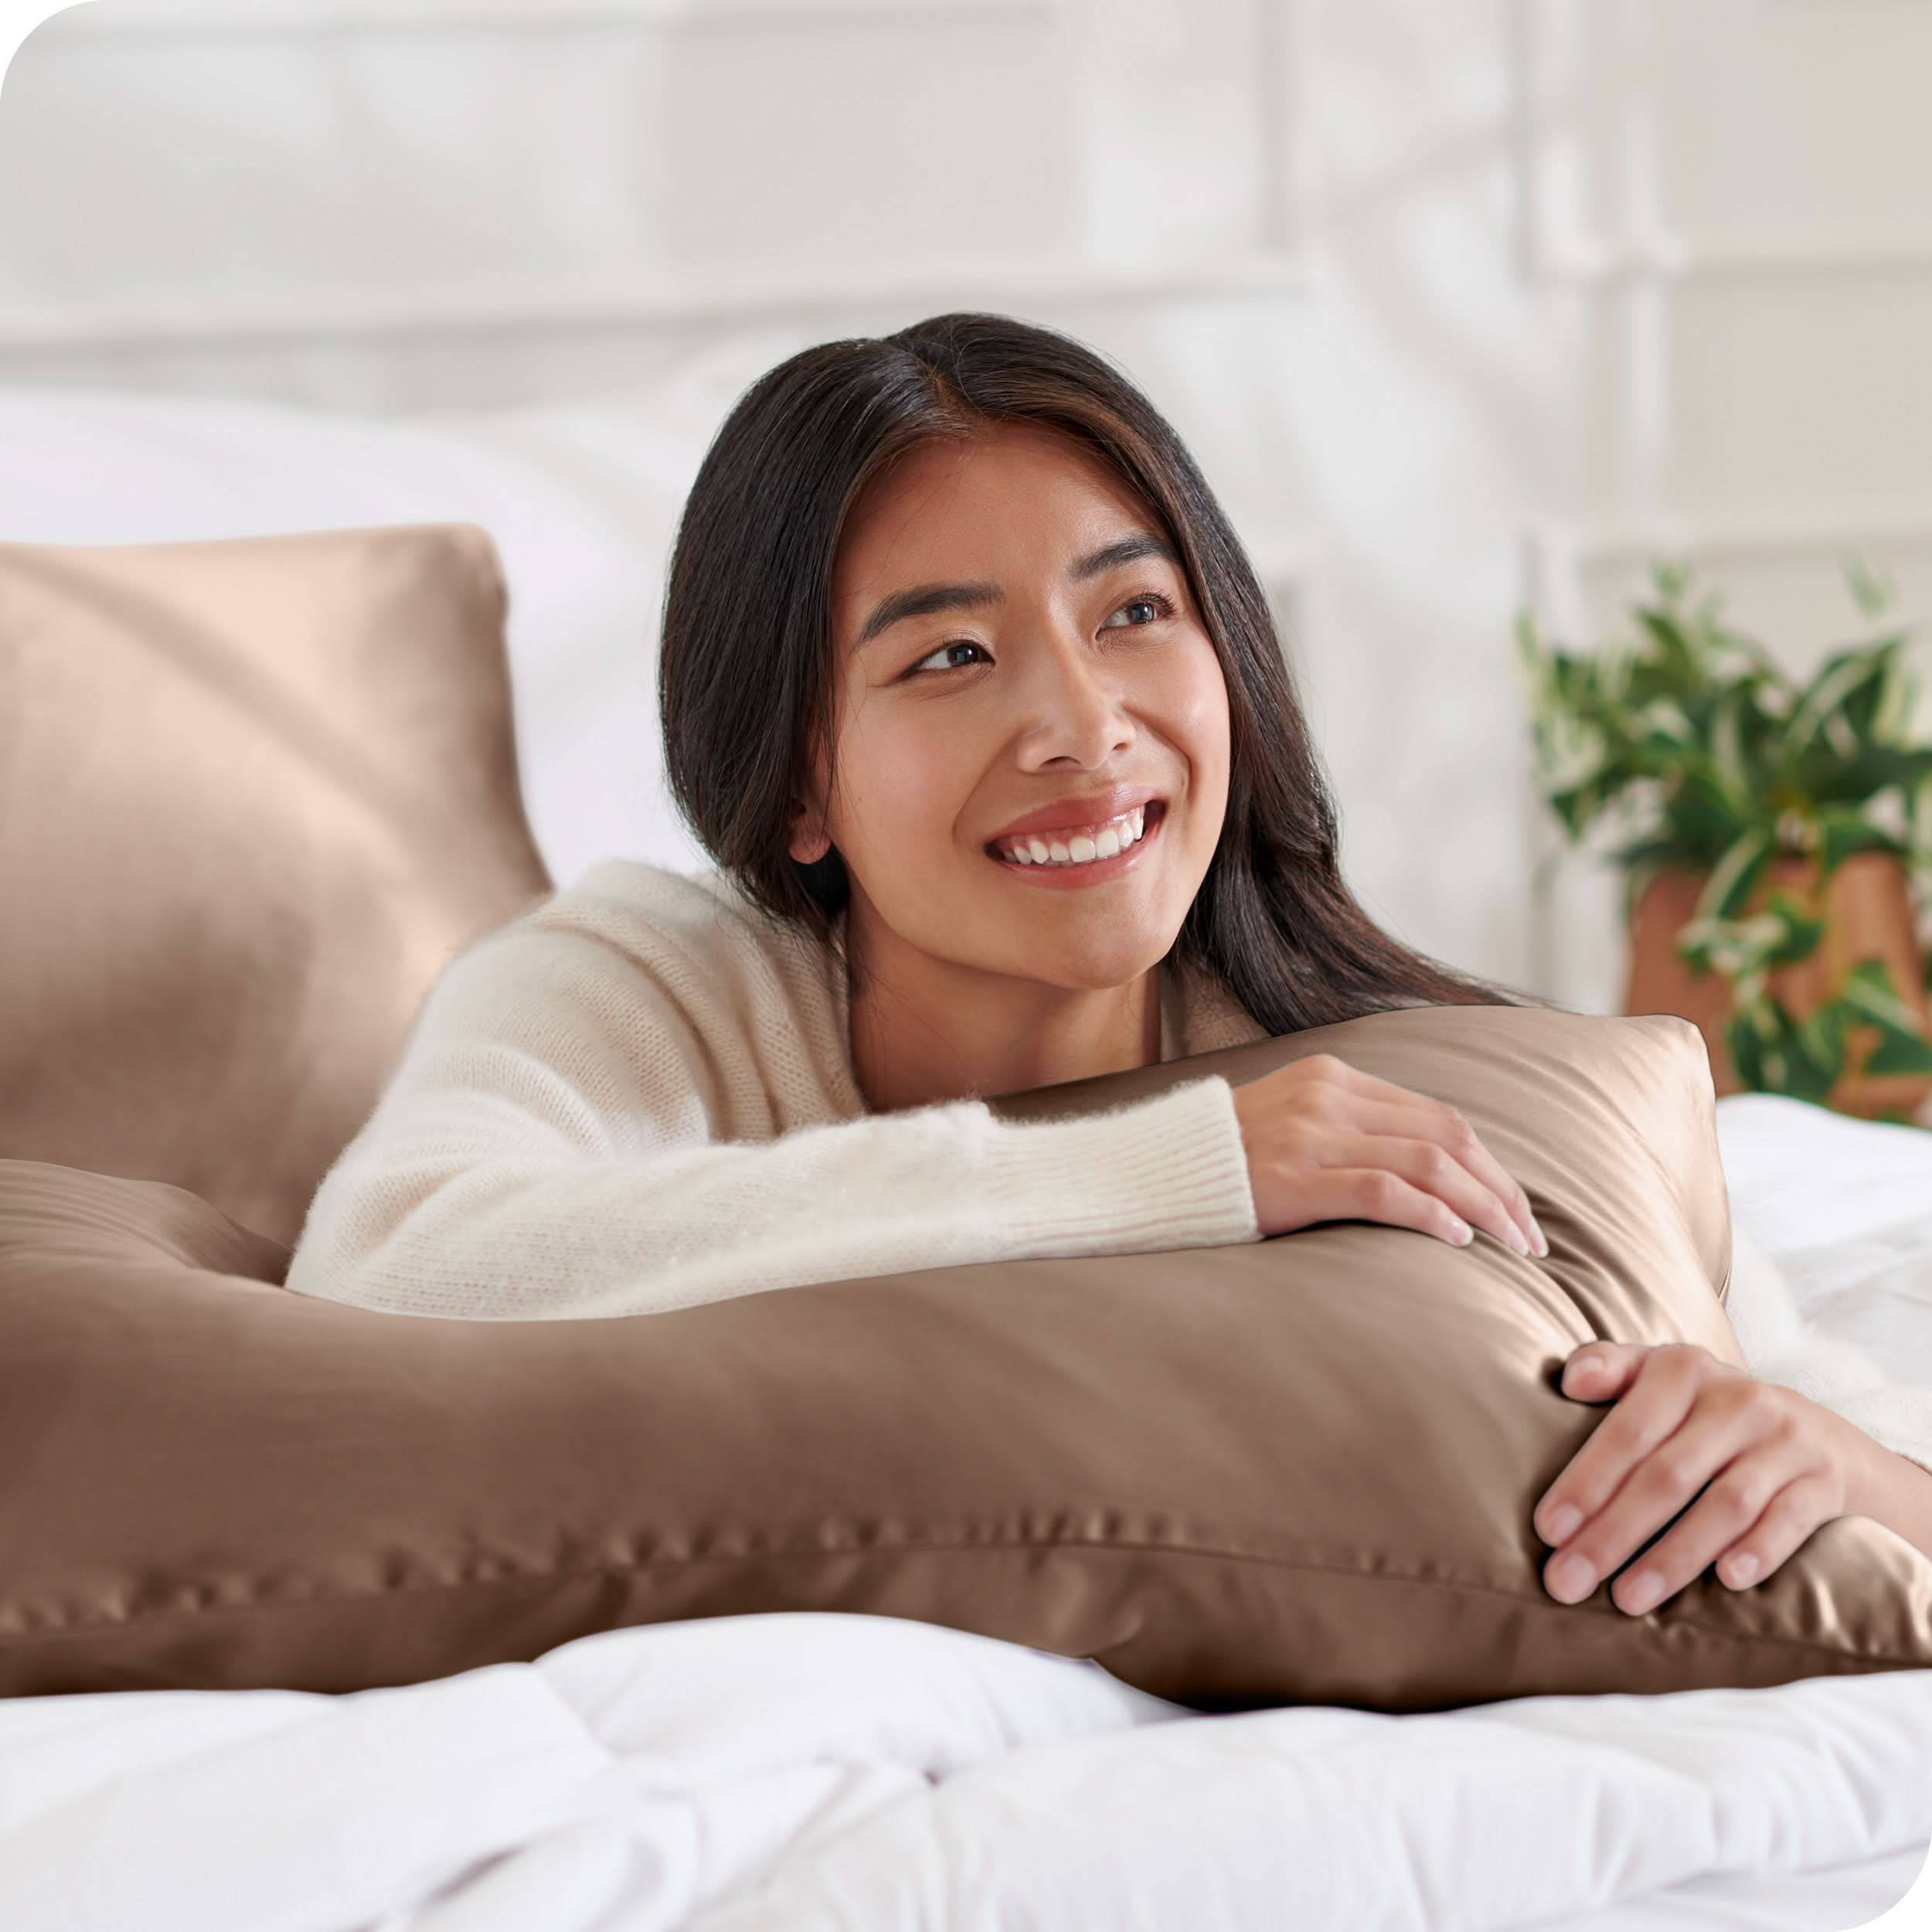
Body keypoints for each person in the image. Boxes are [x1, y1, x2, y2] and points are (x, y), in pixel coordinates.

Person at [281, 311, 1932, 1611]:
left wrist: (1820, 1458)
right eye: (949, 654)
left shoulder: (1397, 1069)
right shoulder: (648, 977)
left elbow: (1846, 1436)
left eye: (1134, 613)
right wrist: (1171, 1174)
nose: (1082, 726)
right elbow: (391, 1267)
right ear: (794, 781)